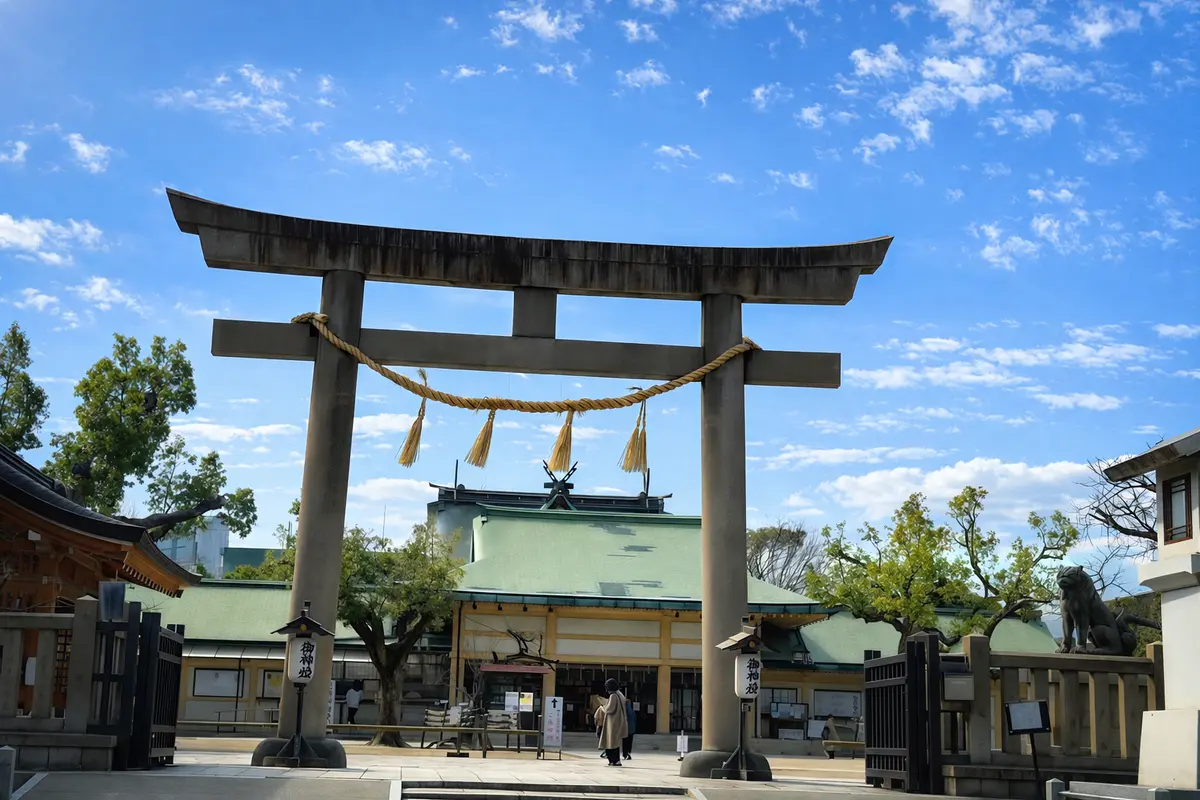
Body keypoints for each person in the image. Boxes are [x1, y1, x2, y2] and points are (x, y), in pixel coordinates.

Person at [596, 679, 628, 766]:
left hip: (612, 722)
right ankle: (615, 760)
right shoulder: (620, 694)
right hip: (619, 720)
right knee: (615, 742)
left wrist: (602, 707)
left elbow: (610, 709)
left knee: (610, 741)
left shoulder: (613, 696)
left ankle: (614, 760)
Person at [621, 685, 636, 760]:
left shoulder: (625, 710)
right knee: (629, 742)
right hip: (631, 729)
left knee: (625, 742)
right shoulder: (631, 710)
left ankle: (625, 754)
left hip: (626, 729)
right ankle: (628, 753)